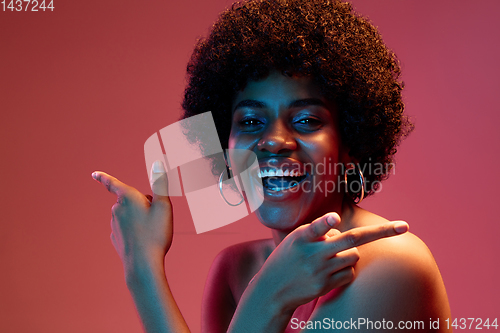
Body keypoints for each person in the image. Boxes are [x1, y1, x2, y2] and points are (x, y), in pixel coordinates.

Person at [92, 0, 451, 332]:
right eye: (250, 122)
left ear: (350, 147)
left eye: (307, 120)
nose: (273, 141)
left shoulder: (391, 264)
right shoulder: (236, 268)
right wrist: (141, 265)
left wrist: (268, 295)